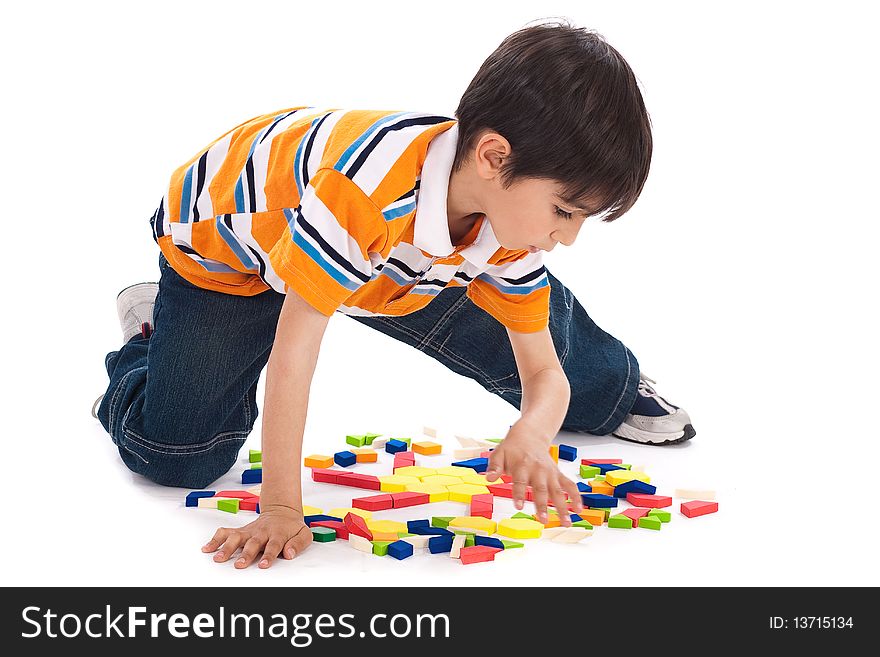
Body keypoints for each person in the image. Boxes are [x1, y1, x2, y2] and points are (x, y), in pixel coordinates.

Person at [92, 20, 694, 569]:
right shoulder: (366, 192)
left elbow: (544, 373)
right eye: (564, 211)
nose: (567, 238)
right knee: (176, 456)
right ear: (493, 157)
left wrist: (533, 432)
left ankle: (613, 386)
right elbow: (295, 350)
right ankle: (153, 336)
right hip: (229, 249)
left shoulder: (508, 224)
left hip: (393, 267)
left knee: (560, 352)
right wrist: (280, 507)